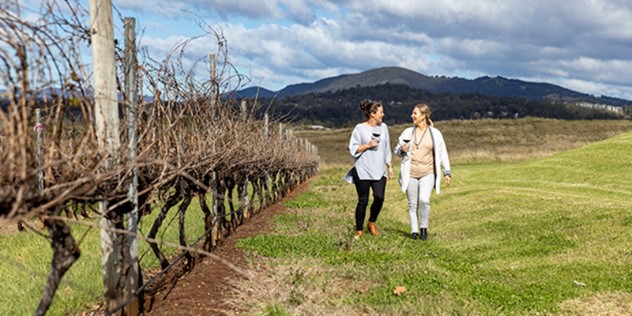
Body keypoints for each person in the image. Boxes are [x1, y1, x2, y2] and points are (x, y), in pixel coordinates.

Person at [394, 103, 451, 240]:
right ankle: (414, 231)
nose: (412, 116)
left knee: (424, 200)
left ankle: (423, 227)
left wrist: (447, 172)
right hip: (411, 173)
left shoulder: (435, 134)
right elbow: (396, 151)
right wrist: (401, 150)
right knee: (412, 204)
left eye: (415, 113)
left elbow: (443, 154)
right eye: (412, 113)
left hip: (428, 172)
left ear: (424, 115)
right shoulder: (407, 132)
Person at [343, 100, 394, 239]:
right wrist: (367, 145)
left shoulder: (384, 128)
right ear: (372, 114)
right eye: (381, 112)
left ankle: (372, 222)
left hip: (379, 169)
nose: (383, 114)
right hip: (363, 169)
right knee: (363, 200)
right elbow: (353, 148)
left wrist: (389, 166)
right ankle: (359, 230)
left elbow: (387, 148)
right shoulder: (359, 129)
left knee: (379, 197)